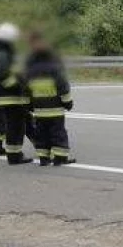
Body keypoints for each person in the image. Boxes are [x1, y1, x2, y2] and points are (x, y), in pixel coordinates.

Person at [25, 31, 74, 166]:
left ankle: (43, 158)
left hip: (39, 111)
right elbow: (63, 87)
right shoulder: (55, 68)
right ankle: (60, 158)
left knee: (41, 135)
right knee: (58, 134)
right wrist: (68, 103)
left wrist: (29, 106)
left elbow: (27, 90)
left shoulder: (31, 70)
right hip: (55, 110)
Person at [0, 23, 32, 164]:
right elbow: (4, 75)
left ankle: (14, 154)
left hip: (13, 96)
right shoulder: (1, 53)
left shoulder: (3, 51)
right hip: (11, 97)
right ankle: (14, 156)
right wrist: (19, 86)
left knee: (17, 126)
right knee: (15, 127)